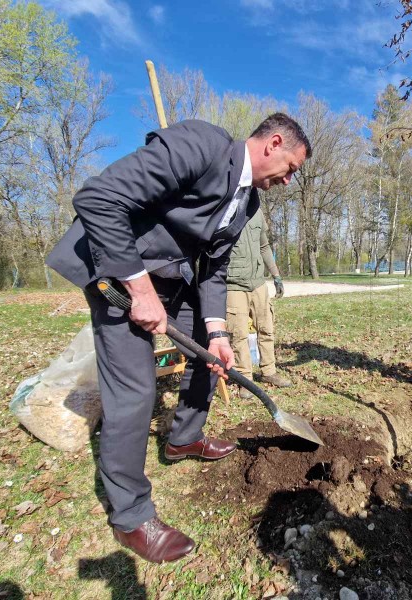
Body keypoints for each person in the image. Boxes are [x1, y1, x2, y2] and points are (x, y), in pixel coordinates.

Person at [46, 114, 311, 563]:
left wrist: (217, 330)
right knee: (135, 389)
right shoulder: (201, 144)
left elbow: (214, 268)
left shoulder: (248, 204)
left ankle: (184, 437)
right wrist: (140, 288)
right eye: (292, 167)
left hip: (175, 279)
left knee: (212, 358)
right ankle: (131, 515)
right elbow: (98, 198)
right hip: (119, 271)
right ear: (275, 143)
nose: (289, 180)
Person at [225, 207, 292, 398]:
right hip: (233, 285)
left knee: (266, 328)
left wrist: (276, 275)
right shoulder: (224, 208)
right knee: (238, 335)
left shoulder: (256, 211)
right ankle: (245, 380)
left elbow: (264, 246)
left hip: (258, 283)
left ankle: (269, 372)